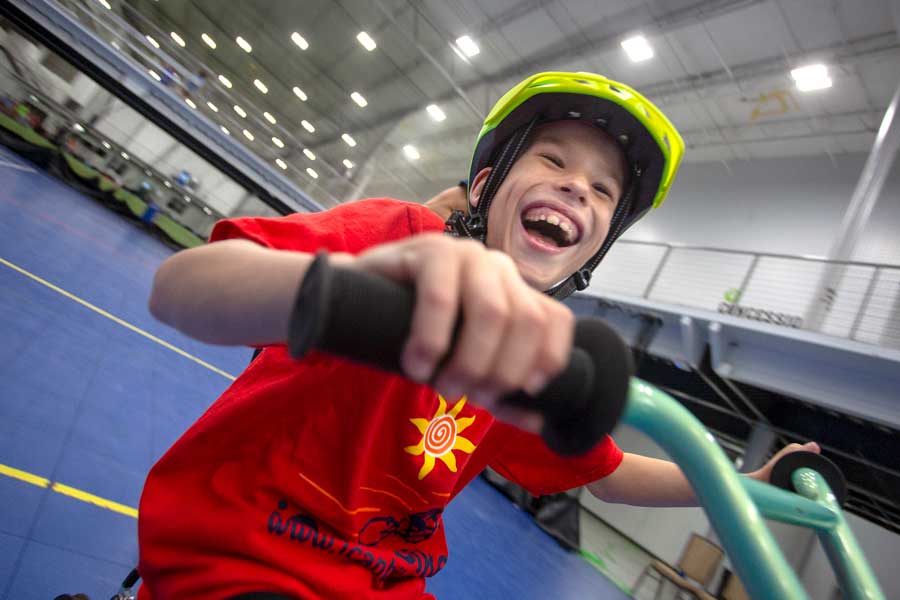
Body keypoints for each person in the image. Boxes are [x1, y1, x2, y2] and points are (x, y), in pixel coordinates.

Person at [140, 72, 817, 599]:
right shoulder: (395, 237)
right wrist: (352, 290)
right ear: (487, 187)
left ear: (596, 248)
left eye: (603, 190)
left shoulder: (527, 351)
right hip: (241, 555)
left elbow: (610, 476)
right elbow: (182, 288)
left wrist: (744, 483)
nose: (578, 188)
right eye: (554, 160)